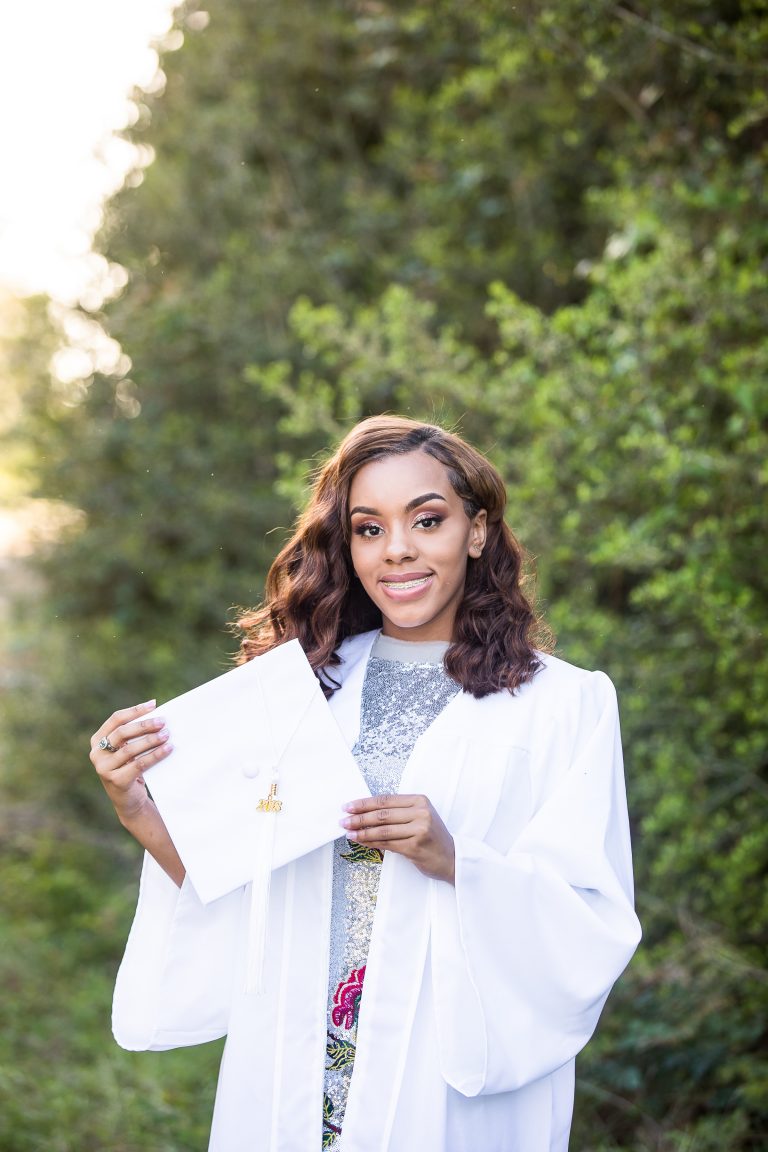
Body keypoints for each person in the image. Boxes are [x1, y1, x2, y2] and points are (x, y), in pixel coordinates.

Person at [91, 415, 641, 1152]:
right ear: (346, 546)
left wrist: (456, 858)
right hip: (292, 1064)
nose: (399, 550)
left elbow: (591, 920)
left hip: (438, 1088)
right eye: (369, 528)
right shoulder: (297, 689)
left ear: (477, 531)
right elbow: (238, 884)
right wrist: (136, 807)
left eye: (428, 519)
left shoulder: (563, 704)